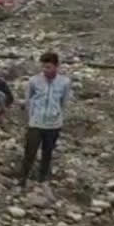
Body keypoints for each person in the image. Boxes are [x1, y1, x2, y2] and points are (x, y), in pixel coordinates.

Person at [21, 52, 71, 186]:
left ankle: (43, 178)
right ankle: (23, 177)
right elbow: (29, 100)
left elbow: (64, 102)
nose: (45, 70)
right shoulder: (34, 81)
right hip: (36, 123)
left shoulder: (64, 82)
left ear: (56, 66)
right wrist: (31, 117)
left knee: (47, 152)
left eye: (48, 67)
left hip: (53, 125)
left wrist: (57, 115)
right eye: (43, 67)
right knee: (29, 152)